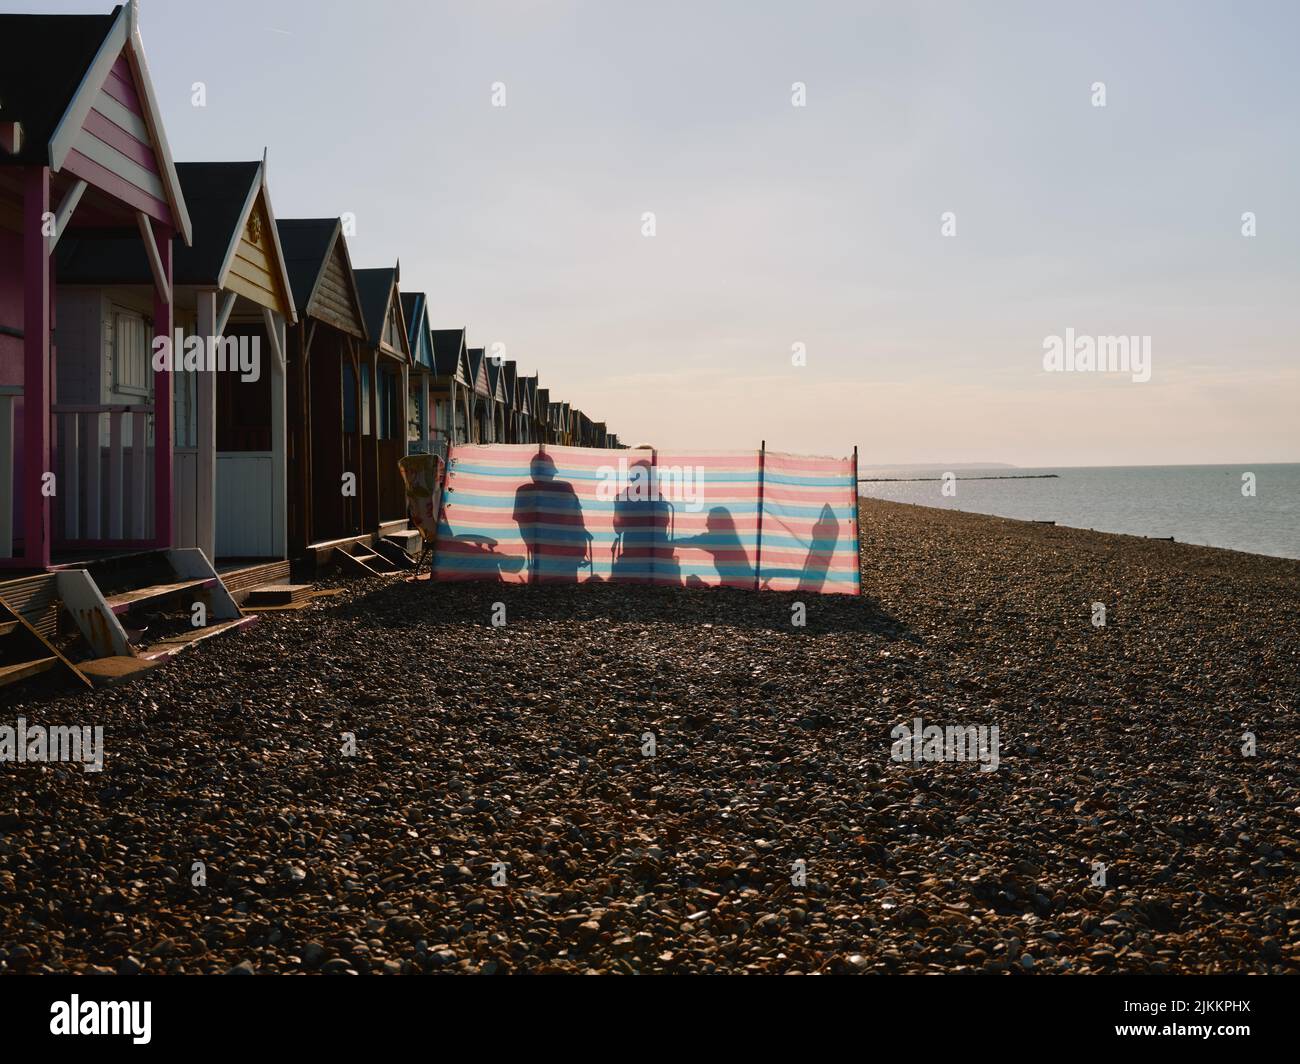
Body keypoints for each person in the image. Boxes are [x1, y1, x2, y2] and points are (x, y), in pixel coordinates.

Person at [512, 451, 588, 583]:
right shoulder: (565, 489)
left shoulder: (523, 492)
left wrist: (532, 544)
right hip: (566, 548)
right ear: (550, 473)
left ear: (532, 473)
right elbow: (578, 522)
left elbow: (522, 524)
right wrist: (581, 549)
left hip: (537, 547)